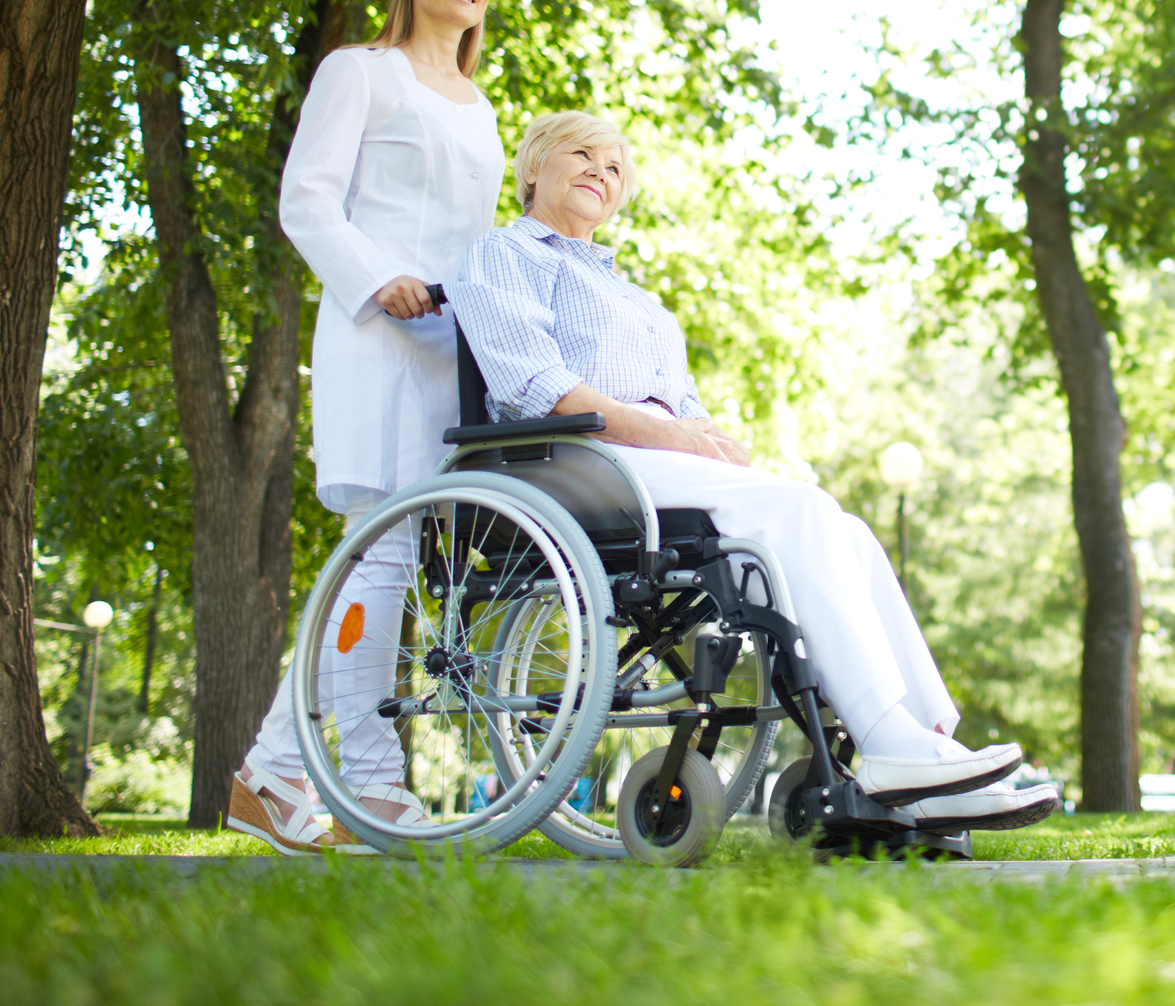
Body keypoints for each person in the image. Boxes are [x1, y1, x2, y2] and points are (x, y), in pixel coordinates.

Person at [444, 111, 1062, 834]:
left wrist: (703, 437)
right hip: (573, 463)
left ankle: (928, 749)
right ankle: (891, 745)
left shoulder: (634, 298)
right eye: (581, 155)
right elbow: (534, 387)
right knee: (797, 512)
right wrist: (675, 436)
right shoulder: (503, 256)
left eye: (614, 169)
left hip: (650, 462)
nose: (599, 173)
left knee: (843, 527)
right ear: (531, 170)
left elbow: (685, 407)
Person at [224, 0, 508, 854]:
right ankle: (372, 782)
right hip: (375, 329)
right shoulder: (360, 70)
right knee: (377, 552)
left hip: (449, 346)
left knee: (379, 556)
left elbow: (476, 237)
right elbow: (306, 198)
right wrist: (375, 275)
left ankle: (270, 772)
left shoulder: (477, 106)